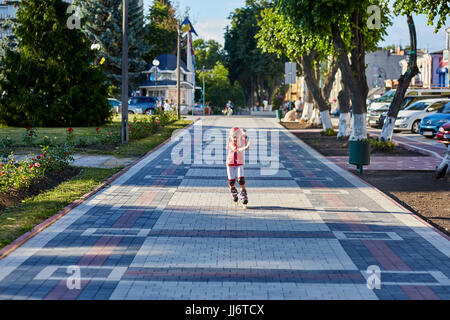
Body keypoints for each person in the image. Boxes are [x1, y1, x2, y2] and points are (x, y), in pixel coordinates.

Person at [226, 127, 252, 208]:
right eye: (233, 137)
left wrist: (244, 132)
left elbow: (244, 135)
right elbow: (236, 150)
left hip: (239, 163)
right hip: (230, 164)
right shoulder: (230, 143)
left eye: (236, 137)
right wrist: (245, 147)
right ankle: (234, 193)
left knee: (241, 180)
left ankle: (243, 194)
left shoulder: (242, 140)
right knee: (231, 182)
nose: (235, 139)